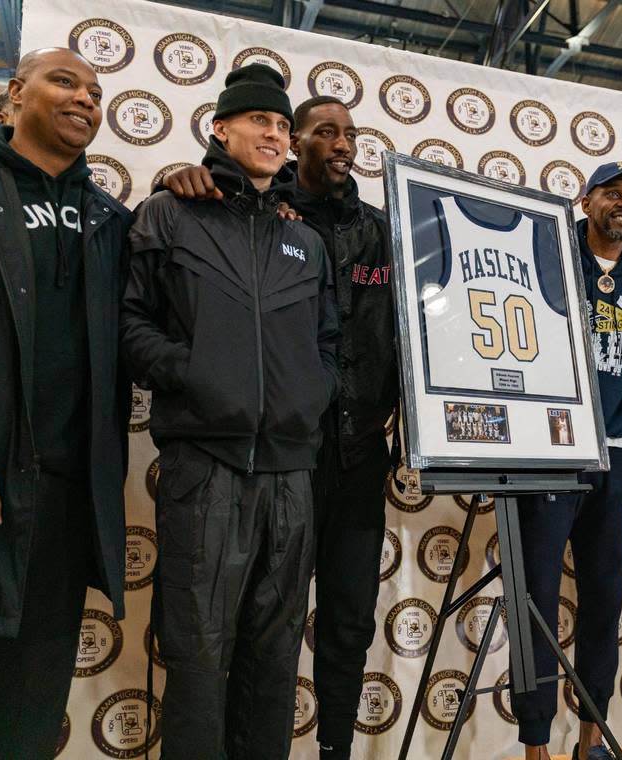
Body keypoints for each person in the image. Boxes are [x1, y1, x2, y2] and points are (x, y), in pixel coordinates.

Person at [163, 94, 395, 760]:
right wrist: (176, 177)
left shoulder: (380, 232)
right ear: (297, 142)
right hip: (281, 456)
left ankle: (334, 749)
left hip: (356, 455)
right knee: (249, 625)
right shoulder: (261, 213)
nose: (344, 143)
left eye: (351, 133)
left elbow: (402, 333)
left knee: (348, 620)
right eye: (327, 132)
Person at [121, 64, 339, 760]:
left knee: (274, 660)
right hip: (205, 467)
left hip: (291, 475)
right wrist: (195, 374)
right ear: (221, 127)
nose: (273, 134)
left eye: (281, 125)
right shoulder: (171, 212)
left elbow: (327, 343)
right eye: (258, 121)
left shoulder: (304, 239)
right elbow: (130, 326)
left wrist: (310, 394)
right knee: (199, 657)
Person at [0, 47, 131, 760]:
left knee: (24, 738)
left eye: (95, 89)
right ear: (15, 94)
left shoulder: (113, 221)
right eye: (64, 80)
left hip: (61, 512)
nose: (85, 96)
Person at [512, 161, 622, 760]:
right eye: (612, 193)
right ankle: (535, 745)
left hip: (615, 458)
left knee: (604, 601)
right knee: (538, 604)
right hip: (549, 453)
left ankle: (591, 740)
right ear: (585, 200)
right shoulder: (546, 254)